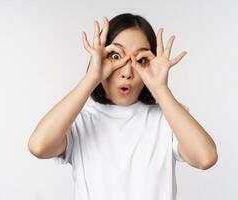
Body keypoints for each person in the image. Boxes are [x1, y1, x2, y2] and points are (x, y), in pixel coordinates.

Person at [28, 13, 218, 200]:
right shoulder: (81, 120)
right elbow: (39, 146)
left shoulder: (167, 119)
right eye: (115, 56)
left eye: (141, 60)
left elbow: (205, 158)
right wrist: (91, 78)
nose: (127, 72)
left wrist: (160, 89)